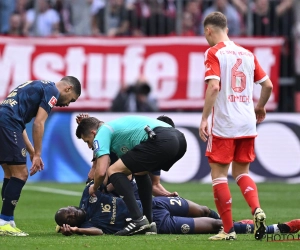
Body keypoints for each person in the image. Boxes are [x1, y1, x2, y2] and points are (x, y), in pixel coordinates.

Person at [199, 12, 273, 241]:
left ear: (209, 30)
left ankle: (228, 230)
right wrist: (260, 107)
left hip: (225, 123)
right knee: (242, 172)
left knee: (219, 174)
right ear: (227, 30)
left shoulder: (214, 52)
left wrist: (204, 118)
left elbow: (213, 87)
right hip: (247, 121)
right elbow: (268, 85)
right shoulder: (247, 53)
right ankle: (256, 209)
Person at [54, 181, 300, 236]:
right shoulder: (88, 226)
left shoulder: (91, 195)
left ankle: (239, 224)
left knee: (204, 209)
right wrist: (76, 231)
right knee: (214, 226)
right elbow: (99, 234)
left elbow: (103, 175)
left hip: (154, 204)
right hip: (158, 224)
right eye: (68, 217)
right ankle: (270, 228)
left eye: (68, 210)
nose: (71, 213)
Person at [75, 115, 187, 236]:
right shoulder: (118, 136)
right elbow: (128, 174)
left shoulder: (102, 132)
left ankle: (138, 220)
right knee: (139, 171)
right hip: (180, 141)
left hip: (162, 139)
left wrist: (95, 187)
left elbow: (101, 171)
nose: (89, 146)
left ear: (93, 132)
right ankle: (149, 223)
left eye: (87, 141)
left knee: (113, 171)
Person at [0, 76, 81, 236]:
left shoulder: (39, 85)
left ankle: (7, 221)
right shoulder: (52, 91)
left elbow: (19, 123)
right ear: (68, 88)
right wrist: (38, 154)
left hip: (5, 122)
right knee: (21, 174)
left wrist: (31, 151)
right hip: (8, 124)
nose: (66, 105)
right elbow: (38, 123)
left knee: (10, 174)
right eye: (71, 100)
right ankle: (4, 222)